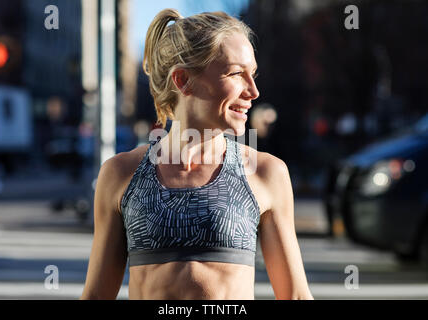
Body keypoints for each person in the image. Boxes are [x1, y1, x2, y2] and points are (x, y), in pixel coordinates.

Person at [81, 9, 313, 300]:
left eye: (252, 74)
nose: (253, 91)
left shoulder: (265, 172)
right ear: (182, 80)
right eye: (236, 74)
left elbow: (296, 297)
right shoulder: (121, 173)